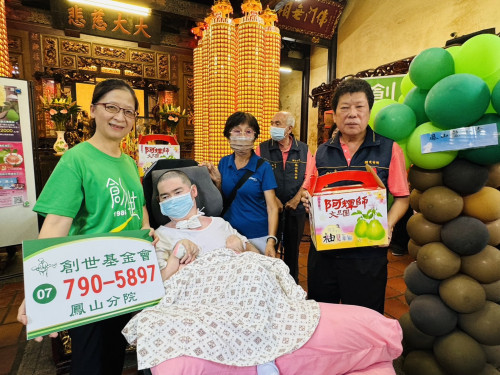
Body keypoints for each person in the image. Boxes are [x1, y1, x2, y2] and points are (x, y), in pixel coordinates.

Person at [16, 79, 166, 375]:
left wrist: (146, 228)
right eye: (112, 107)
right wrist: (35, 291)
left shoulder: (127, 162)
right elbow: (56, 223)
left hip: (126, 279)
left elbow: (139, 207)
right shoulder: (76, 159)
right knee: (92, 361)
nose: (120, 117)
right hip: (90, 282)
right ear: (93, 110)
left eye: (129, 111)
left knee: (117, 354)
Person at [303, 78, 410, 314]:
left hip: (367, 252)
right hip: (325, 252)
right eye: (345, 108)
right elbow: (308, 190)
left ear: (369, 111)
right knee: (322, 313)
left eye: (359, 107)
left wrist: (388, 224)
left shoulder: (389, 149)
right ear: (336, 114)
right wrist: (307, 201)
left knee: (365, 315)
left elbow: (402, 197)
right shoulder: (322, 151)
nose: (352, 114)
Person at [153, 169, 259, 280]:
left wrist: (243, 249)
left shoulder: (219, 224)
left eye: (178, 192)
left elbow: (255, 256)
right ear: (159, 201)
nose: (173, 200)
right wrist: (176, 255)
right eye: (165, 197)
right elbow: (158, 282)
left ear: (193, 191)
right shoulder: (159, 236)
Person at [204, 112, 279, 257]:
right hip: (230, 234)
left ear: (255, 136)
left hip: (258, 235)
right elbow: (222, 200)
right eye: (237, 131)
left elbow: (272, 207)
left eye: (248, 131)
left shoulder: (263, 167)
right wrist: (218, 182)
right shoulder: (224, 162)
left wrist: (271, 241)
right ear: (228, 135)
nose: (242, 136)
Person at [255, 111, 315, 282]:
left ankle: (291, 283)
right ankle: (269, 282)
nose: (273, 126)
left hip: (296, 208)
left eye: (278, 123)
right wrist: (273, 199)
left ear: (289, 128)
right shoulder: (263, 148)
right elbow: (258, 175)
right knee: (269, 246)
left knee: (292, 250)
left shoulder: (303, 149)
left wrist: (296, 200)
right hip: (270, 208)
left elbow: (310, 176)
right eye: (272, 122)